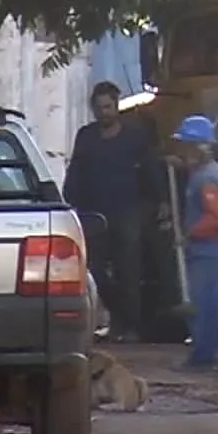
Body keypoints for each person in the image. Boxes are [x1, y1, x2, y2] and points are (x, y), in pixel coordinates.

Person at [63, 82, 153, 342]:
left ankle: (132, 326)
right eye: (99, 108)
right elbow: (76, 172)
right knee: (95, 269)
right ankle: (118, 317)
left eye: (108, 107)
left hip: (128, 211)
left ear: (116, 106)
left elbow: (149, 170)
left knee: (130, 271)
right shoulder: (87, 136)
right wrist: (69, 202)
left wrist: (158, 201)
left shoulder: (135, 136)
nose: (104, 113)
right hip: (94, 214)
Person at [169, 114, 218, 371]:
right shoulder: (203, 172)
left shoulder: (206, 179)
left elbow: (215, 217)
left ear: (199, 147)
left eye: (186, 145)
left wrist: (188, 234)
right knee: (205, 302)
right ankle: (212, 346)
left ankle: (203, 357)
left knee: (203, 305)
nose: (183, 150)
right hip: (205, 249)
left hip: (208, 248)